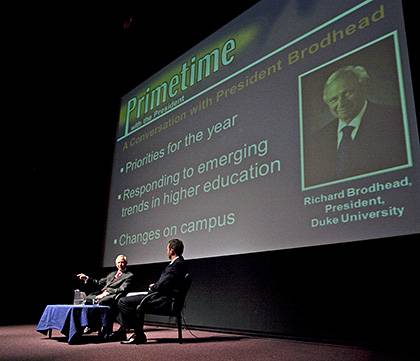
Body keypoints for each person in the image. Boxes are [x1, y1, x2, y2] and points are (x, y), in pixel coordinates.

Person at [304, 65, 407, 187]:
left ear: (363, 88)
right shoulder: (318, 138)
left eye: (347, 93)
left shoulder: (395, 119)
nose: (341, 103)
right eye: (333, 100)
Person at [109, 239, 188, 344]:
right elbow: (167, 283)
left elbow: (163, 284)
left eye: (167, 249)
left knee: (123, 301)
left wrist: (153, 287)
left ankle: (132, 332)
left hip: (162, 300)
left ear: (172, 250)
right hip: (161, 296)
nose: (166, 251)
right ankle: (134, 332)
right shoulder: (180, 263)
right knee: (129, 299)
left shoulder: (176, 265)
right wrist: (155, 286)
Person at [76, 254, 134, 334]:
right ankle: (90, 325)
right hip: (103, 293)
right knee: (88, 299)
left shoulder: (129, 275)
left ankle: (94, 326)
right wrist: (87, 278)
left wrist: (108, 292)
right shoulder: (112, 274)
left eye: (122, 262)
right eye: (118, 262)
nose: (120, 264)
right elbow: (99, 282)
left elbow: (122, 289)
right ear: (116, 263)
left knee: (101, 301)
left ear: (126, 263)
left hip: (113, 295)